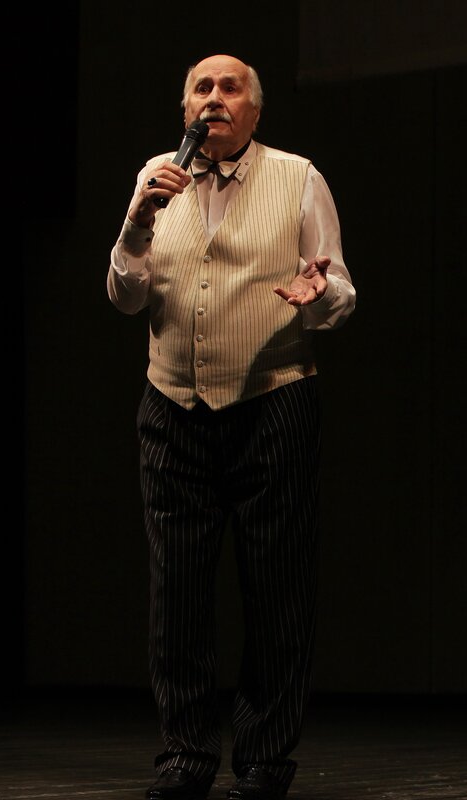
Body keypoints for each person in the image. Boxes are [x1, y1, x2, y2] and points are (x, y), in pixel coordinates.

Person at [106, 53, 356, 800]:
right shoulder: (157, 178)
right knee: (177, 592)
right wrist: (136, 225)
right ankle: (185, 755)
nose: (214, 98)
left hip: (273, 402)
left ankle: (265, 760)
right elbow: (125, 297)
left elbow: (340, 292)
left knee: (276, 589)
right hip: (173, 406)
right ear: (186, 108)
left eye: (230, 87)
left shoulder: (298, 177)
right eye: (202, 88)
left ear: (255, 109)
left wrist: (317, 292)